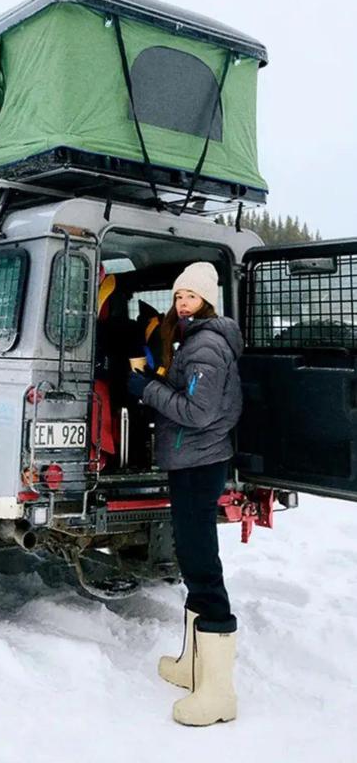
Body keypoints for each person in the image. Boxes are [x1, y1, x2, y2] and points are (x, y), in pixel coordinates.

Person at [128, 262, 243, 727]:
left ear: (207, 300)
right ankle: (194, 666)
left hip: (200, 460)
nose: (181, 303)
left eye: (190, 297)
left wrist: (148, 388)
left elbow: (197, 412)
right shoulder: (191, 341)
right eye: (178, 296)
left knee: (201, 562)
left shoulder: (208, 347)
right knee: (192, 555)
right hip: (190, 460)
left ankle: (219, 694)